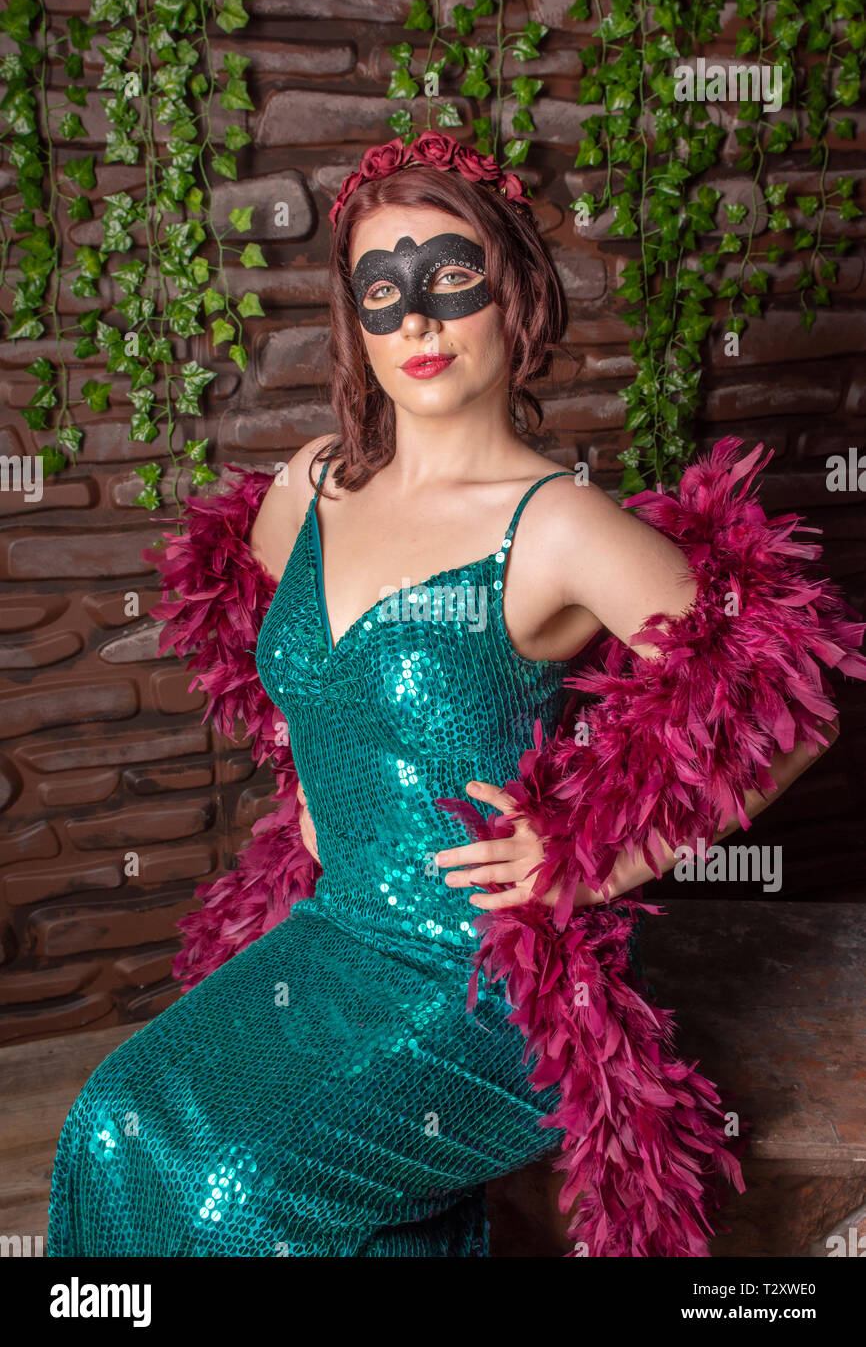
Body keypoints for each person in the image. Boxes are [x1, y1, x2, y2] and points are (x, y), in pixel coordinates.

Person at [46, 132, 866, 1258]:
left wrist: (593, 854)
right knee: (109, 1126)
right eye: (380, 292)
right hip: (332, 937)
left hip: (481, 982)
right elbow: (278, 638)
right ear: (355, 323)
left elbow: (792, 687)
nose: (416, 320)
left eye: (449, 278)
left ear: (515, 293)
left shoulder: (557, 525)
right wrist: (320, 770)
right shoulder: (311, 486)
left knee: (233, 1190)